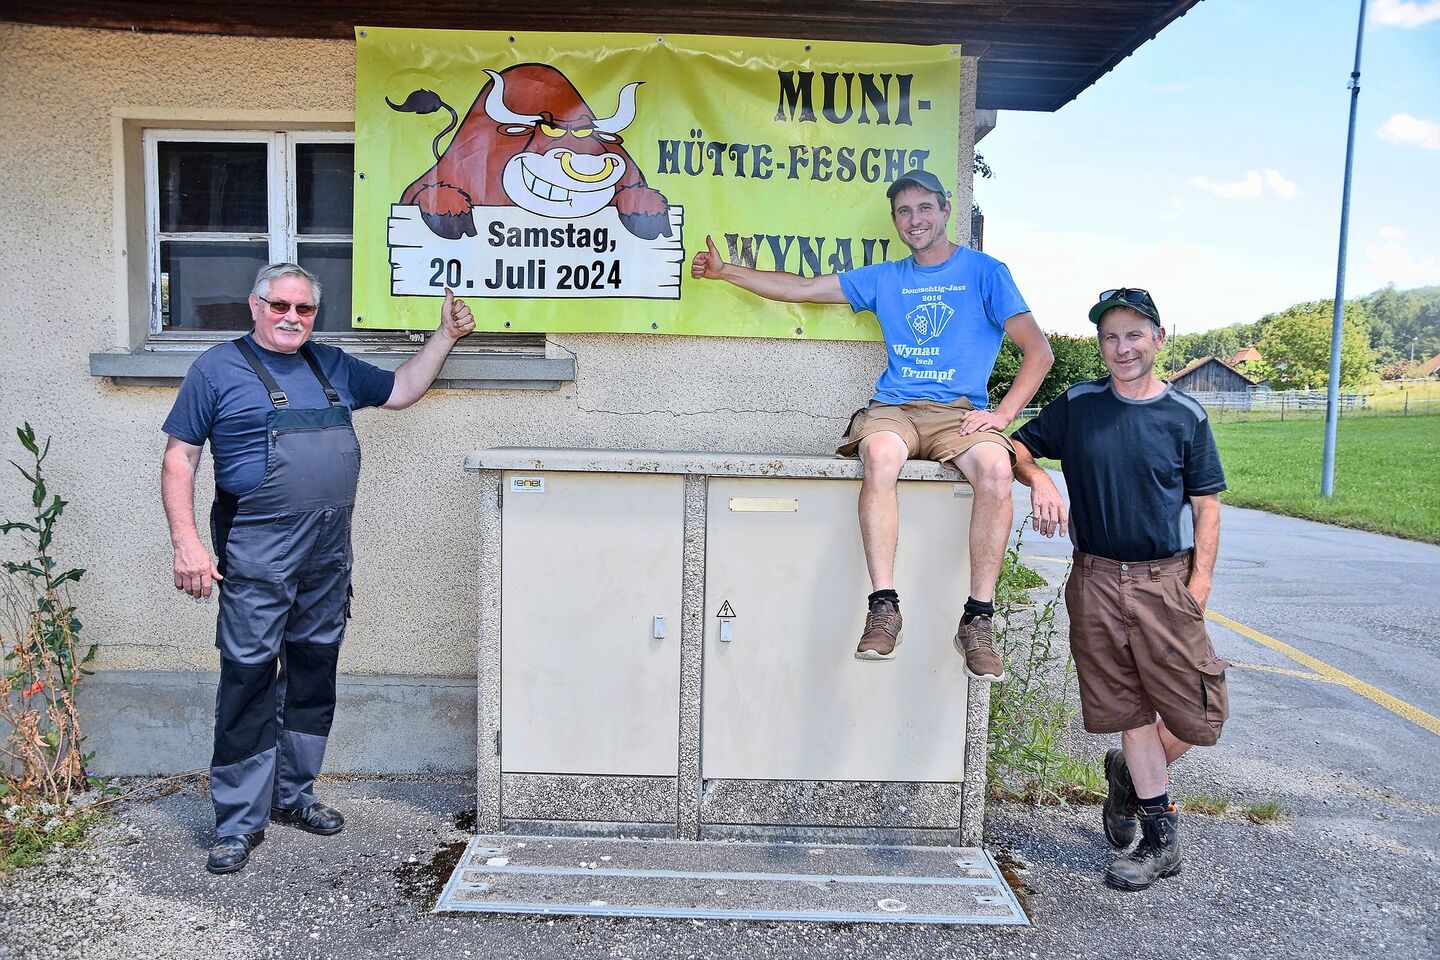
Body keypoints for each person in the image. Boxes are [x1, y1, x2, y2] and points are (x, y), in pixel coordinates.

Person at [161, 263, 474, 875]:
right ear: (255, 305)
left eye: (303, 309)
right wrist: (187, 543)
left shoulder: (330, 365)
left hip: (327, 556)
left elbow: (401, 388)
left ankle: (293, 794)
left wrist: (445, 336)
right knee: (249, 677)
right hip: (257, 553)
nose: (292, 318)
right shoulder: (215, 370)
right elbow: (181, 458)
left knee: (312, 672)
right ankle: (238, 821)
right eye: (280, 306)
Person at [690, 169, 1052, 677]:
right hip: (895, 409)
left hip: (958, 415)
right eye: (904, 211)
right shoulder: (885, 277)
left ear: (946, 210)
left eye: (924, 208)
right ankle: (884, 607)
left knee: (996, 470)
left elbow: (1039, 352)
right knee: (880, 456)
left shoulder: (986, 273)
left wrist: (1002, 415)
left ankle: (978, 618)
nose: (915, 219)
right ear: (895, 221)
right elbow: (803, 288)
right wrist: (726, 272)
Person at [1009, 287, 1229, 891]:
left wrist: (1200, 582)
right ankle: (1161, 841)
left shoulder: (1185, 416)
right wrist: (1040, 479)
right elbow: (1016, 446)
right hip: (1097, 579)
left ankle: (1129, 777)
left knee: (1199, 714)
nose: (1122, 347)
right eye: (1110, 337)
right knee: (1130, 710)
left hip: (1165, 581)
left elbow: (1206, 506)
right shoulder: (1079, 405)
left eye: (1134, 334)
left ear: (1158, 338)